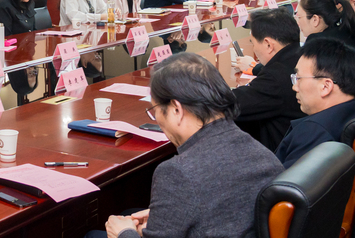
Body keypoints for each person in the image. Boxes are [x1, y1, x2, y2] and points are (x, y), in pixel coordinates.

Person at [97, 52, 283, 238]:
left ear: (176, 109)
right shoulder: (264, 155)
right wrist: (164, 216)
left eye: (155, 111)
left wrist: (123, 233)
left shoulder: (177, 173)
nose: (157, 120)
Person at [275, 38, 355, 168]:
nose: (294, 87)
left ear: (325, 86)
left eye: (298, 78)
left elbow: (282, 181)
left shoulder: (313, 133)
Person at [232, 8, 305, 151]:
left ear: (268, 44)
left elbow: (232, 103)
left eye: (253, 43)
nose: (254, 49)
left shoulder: (275, 76)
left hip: (280, 154)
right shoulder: (302, 56)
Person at [294, 0, 355, 105]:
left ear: (315, 19)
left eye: (299, 17)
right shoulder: (346, 31)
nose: (298, 23)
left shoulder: (318, 41)